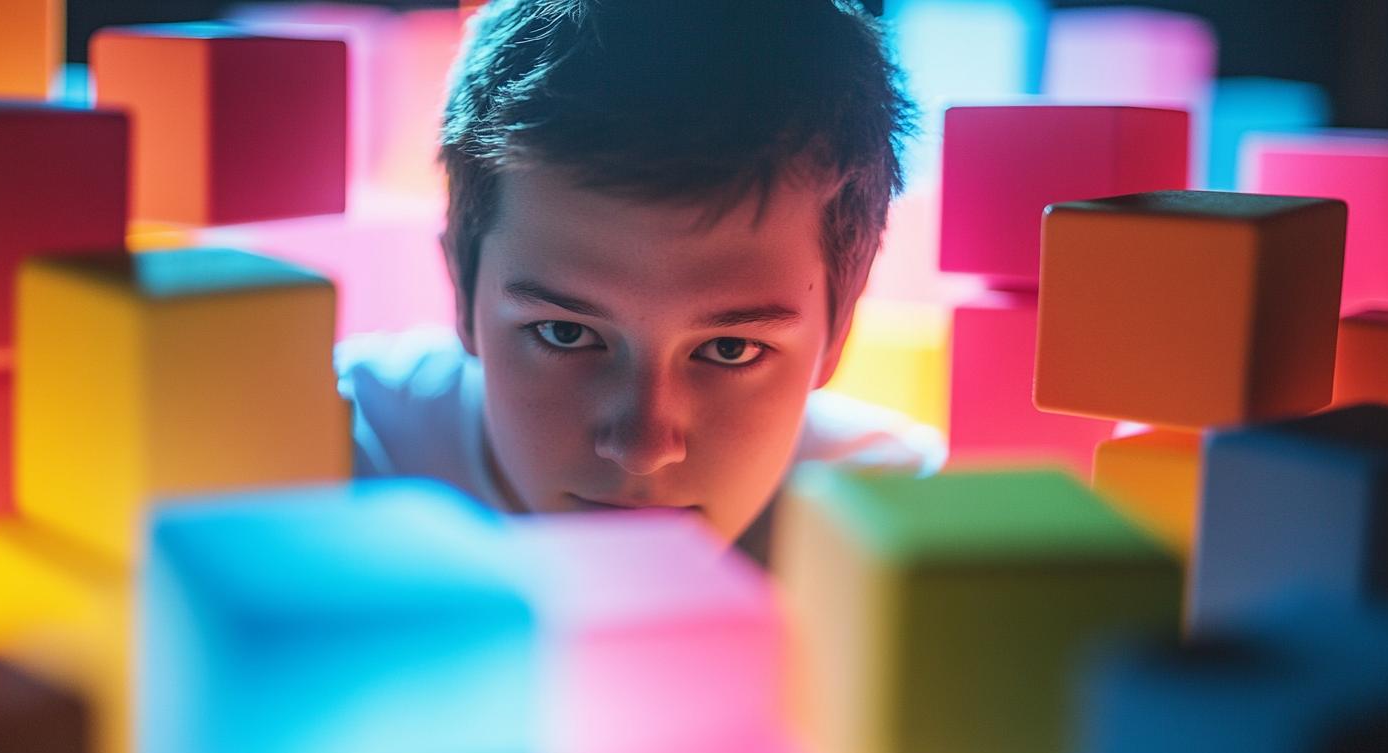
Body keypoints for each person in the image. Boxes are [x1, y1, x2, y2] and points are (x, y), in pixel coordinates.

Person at [337, 0, 944, 553]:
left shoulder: (916, 541)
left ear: (838, 329)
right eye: (563, 333)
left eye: (730, 349)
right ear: (460, 290)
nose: (642, 448)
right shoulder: (321, 463)